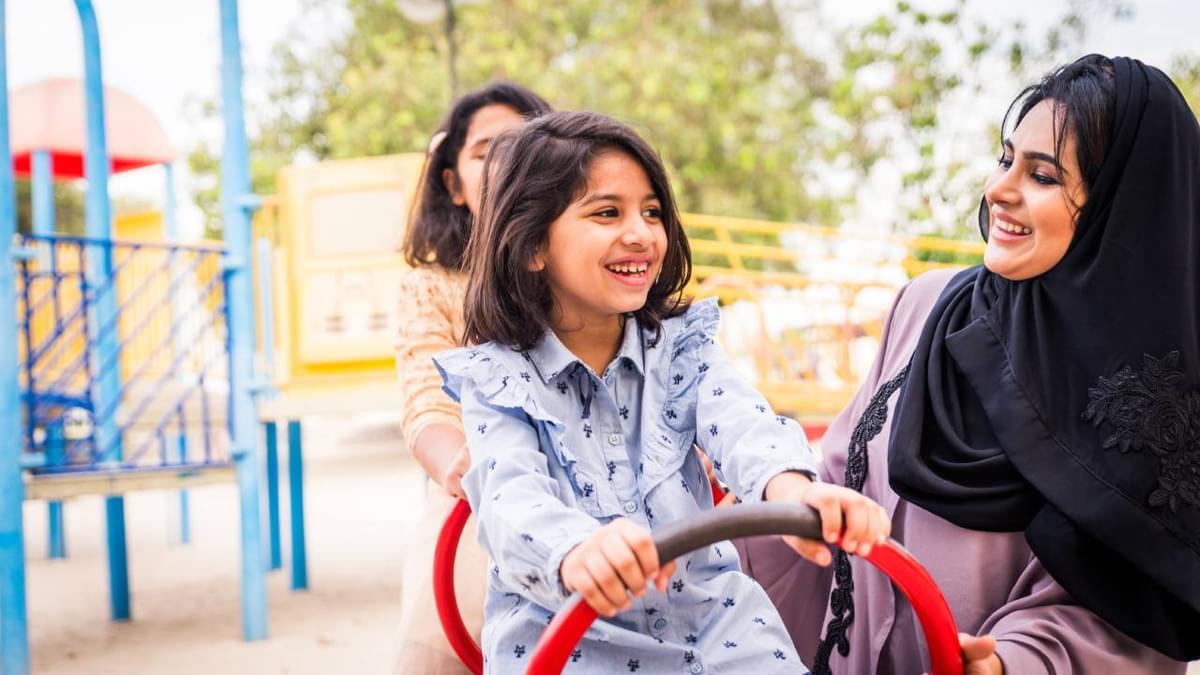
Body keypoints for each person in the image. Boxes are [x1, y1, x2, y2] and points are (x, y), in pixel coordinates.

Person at [736, 54, 1198, 674]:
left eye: (1043, 176)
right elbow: (836, 485)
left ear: (1121, 209)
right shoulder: (929, 305)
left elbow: (1130, 612)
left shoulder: (1153, 405)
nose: (998, 190)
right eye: (1006, 159)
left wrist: (1008, 663)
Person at [434, 110, 892, 673]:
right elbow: (510, 501)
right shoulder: (498, 380)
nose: (641, 232)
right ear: (533, 246)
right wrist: (577, 550)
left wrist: (794, 489)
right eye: (607, 212)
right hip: (574, 646)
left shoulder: (683, 350)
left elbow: (744, 425)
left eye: (651, 212)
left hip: (717, 633)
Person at [393, 82, 552, 674]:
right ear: (454, 184)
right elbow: (426, 399)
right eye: (487, 150)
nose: (508, 160)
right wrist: (465, 465)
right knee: (452, 586)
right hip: (482, 487)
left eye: (524, 144)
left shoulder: (581, 270)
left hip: (599, 482)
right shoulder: (434, 289)